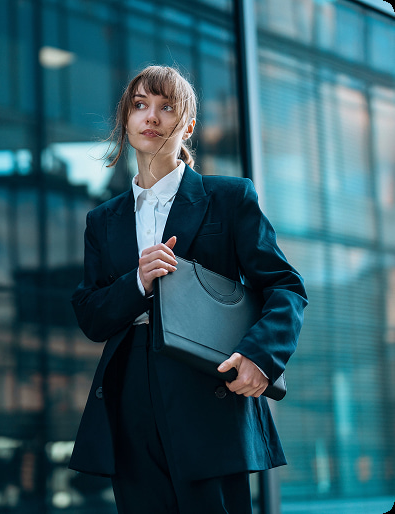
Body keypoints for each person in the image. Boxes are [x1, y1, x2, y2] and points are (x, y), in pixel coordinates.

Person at [68, 65, 308, 513]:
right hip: (128, 394)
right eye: (140, 105)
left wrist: (261, 355)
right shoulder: (103, 220)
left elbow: (285, 286)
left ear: (188, 126)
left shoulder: (230, 198)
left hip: (207, 391)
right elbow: (90, 314)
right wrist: (137, 282)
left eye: (166, 107)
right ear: (126, 120)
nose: (151, 117)